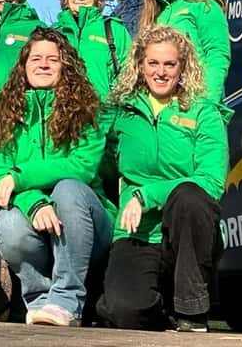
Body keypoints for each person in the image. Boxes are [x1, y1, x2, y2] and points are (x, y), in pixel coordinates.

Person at [96, 25, 228, 333]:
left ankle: (192, 311)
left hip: (184, 235)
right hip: (138, 232)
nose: (161, 72)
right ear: (140, 65)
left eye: (170, 64)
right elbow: (97, 169)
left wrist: (146, 195)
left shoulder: (204, 112)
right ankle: (159, 308)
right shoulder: (119, 113)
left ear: (183, 67)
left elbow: (211, 181)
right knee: (123, 312)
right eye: (153, 63)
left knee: (190, 194)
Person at [0, 28, 113, 327]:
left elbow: (83, 166)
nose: (43, 65)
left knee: (68, 189)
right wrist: (34, 202)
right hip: (36, 216)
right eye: (36, 58)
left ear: (65, 65)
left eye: (53, 59)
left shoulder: (87, 108)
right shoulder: (3, 112)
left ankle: (67, 300)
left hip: (88, 222)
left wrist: (21, 177)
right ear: (24, 65)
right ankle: (41, 301)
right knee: (6, 223)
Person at [139, 0, 230, 101]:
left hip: (197, 100)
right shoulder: (152, 21)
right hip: (166, 110)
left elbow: (217, 53)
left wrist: (207, 100)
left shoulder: (204, 5)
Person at [53, 0, 131, 100]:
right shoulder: (54, 33)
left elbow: (128, 70)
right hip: (60, 112)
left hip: (103, 111)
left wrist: (116, 103)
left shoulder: (113, 29)